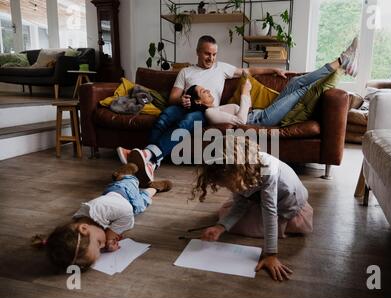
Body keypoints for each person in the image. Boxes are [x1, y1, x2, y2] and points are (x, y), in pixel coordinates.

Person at [116, 35, 293, 185]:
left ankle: (148, 155)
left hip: (204, 111)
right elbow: (172, 98)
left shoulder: (222, 68)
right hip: (183, 107)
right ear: (198, 52)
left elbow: (249, 70)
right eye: (207, 54)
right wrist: (182, 99)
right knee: (164, 117)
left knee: (187, 122)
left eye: (214, 54)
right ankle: (153, 162)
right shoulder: (186, 72)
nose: (211, 58)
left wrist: (274, 69)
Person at [191, 137, 313, 282]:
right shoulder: (241, 171)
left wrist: (271, 254)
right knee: (225, 215)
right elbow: (241, 201)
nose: (229, 188)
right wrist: (220, 227)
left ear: (237, 172)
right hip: (261, 199)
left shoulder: (268, 171)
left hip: (286, 204)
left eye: (228, 184)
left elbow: (270, 213)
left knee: (242, 223)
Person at [32, 164, 172, 271]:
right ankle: (154, 188)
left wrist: (110, 236)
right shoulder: (79, 228)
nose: (103, 245)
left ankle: (123, 173)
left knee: (133, 182)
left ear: (84, 228)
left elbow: (127, 212)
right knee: (142, 202)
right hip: (118, 200)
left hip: (123, 192)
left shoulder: (100, 209)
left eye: (99, 243)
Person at [193, 37, 359, 127]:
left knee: (295, 82)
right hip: (262, 119)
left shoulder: (216, 108)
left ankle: (344, 63)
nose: (208, 91)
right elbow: (242, 121)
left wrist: (273, 69)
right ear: (199, 101)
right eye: (203, 92)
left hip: (261, 112)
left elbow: (243, 105)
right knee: (301, 90)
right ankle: (343, 62)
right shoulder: (210, 113)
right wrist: (245, 93)